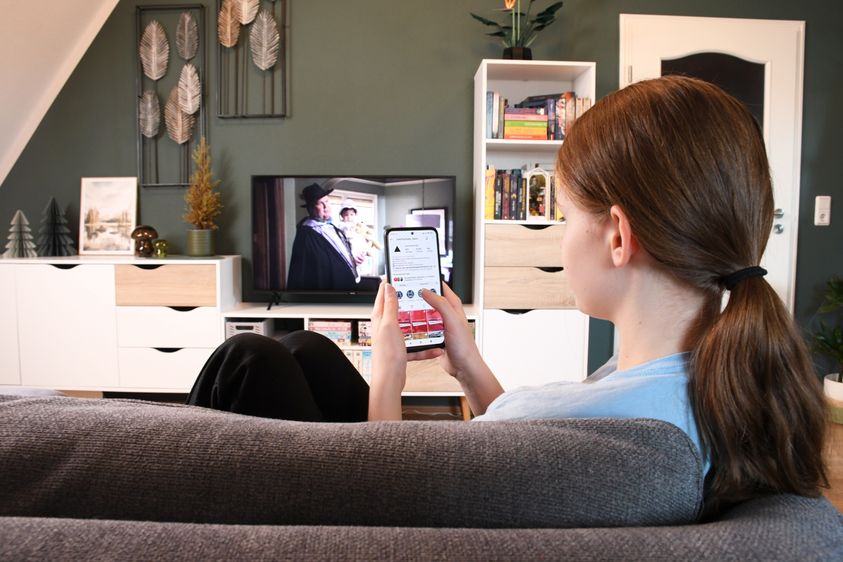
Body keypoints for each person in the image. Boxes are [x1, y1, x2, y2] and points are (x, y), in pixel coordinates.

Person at [188, 76, 827, 516]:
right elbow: (521, 449)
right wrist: (465, 362)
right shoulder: (709, 382)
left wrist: (386, 377)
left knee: (252, 356)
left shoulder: (583, 424)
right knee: (301, 347)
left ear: (617, 239)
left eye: (567, 216)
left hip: (368, 500)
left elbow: (386, 496)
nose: (558, 235)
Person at [286, 183, 361, 291]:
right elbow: (301, 272)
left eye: (327, 201)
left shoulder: (333, 228)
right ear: (311, 208)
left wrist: (353, 259)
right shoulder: (306, 234)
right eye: (320, 204)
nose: (326, 207)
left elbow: (339, 255)